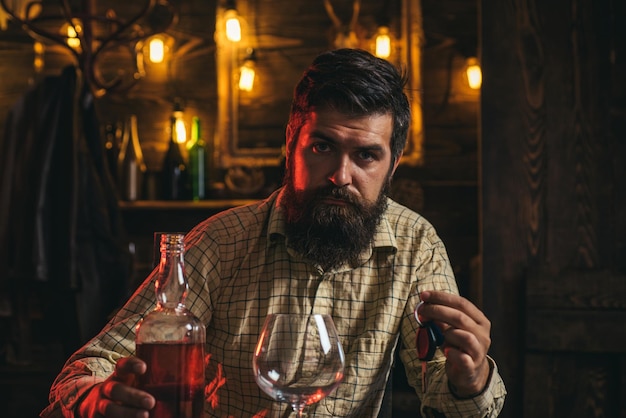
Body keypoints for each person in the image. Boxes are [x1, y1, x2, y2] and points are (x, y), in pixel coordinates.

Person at [41, 48, 506, 418]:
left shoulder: (416, 245)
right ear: (291, 142)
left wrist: (473, 378)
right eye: (323, 146)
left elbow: (449, 396)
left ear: (393, 163)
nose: (340, 175)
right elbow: (87, 369)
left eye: (366, 155)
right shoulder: (221, 243)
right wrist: (94, 399)